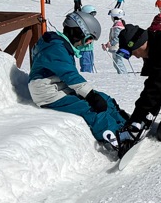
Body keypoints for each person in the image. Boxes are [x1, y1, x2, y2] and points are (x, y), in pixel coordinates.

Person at [29, 14, 129, 148]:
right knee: (91, 109)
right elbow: (70, 74)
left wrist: (93, 95)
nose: (89, 43)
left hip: (59, 86)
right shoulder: (55, 48)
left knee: (103, 99)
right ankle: (117, 136)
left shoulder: (61, 45)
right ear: (78, 32)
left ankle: (125, 124)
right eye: (89, 39)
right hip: (49, 92)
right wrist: (90, 95)